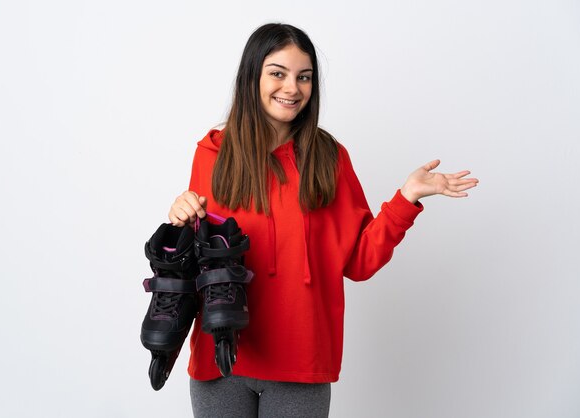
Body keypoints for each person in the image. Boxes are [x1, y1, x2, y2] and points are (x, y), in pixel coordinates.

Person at [167, 23, 478, 418]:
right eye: (277, 73)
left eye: (304, 77)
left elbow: (359, 261)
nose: (292, 88)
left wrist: (406, 198)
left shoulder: (328, 159)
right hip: (221, 357)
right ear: (252, 77)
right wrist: (180, 218)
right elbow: (195, 253)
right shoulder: (213, 153)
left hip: (302, 360)